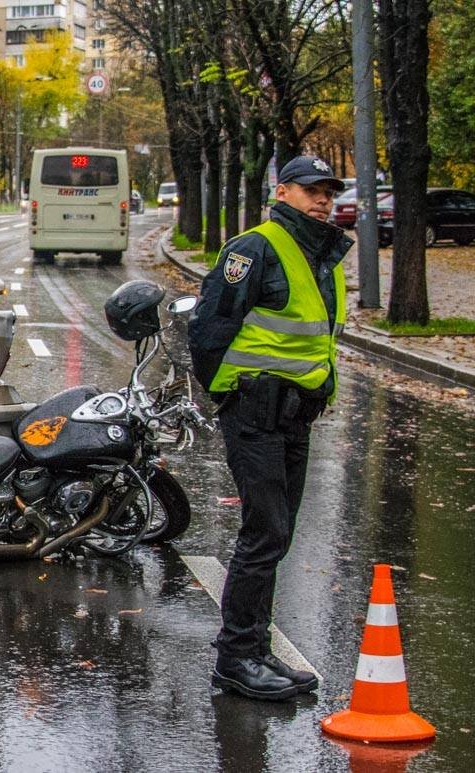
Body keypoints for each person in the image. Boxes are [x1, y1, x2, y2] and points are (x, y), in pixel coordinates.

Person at [188, 155, 352, 701]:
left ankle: (256, 650)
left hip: (295, 414)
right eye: (311, 190)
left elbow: (316, 337)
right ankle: (237, 658)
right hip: (256, 412)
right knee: (265, 534)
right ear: (282, 191)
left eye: (328, 191)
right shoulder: (254, 249)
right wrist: (230, 395)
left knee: (277, 534)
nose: (322, 199)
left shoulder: (323, 254)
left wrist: (320, 388)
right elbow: (210, 328)